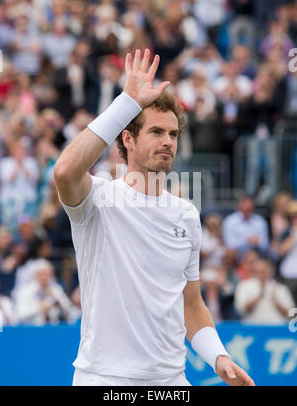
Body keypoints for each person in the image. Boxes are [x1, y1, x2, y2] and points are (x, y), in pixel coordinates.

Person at [54, 49, 254, 386]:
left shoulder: (187, 214)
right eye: (157, 132)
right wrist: (127, 104)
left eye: (173, 134)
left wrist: (219, 357)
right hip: (104, 380)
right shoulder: (97, 199)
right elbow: (65, 171)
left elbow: (191, 304)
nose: (168, 142)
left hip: (171, 381)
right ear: (128, 139)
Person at [234, 258, 295, 324]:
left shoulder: (280, 288)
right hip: (252, 329)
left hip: (276, 329)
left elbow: (290, 313)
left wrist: (276, 300)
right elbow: (240, 310)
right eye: (257, 272)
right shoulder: (244, 286)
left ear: (271, 272)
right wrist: (258, 297)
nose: (260, 275)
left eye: (263, 272)